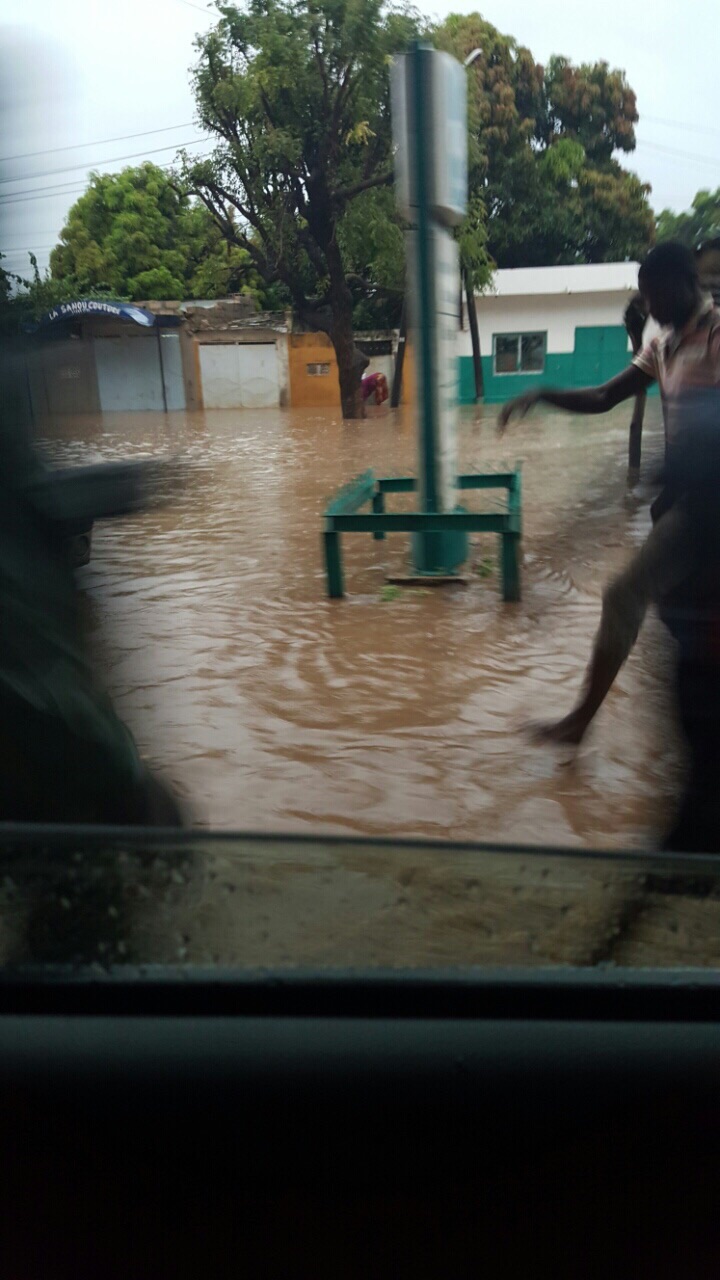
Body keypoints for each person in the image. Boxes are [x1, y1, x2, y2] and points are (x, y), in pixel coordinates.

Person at [524, 408, 720, 850]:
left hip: (702, 504)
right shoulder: (670, 358)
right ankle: (580, 723)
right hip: (697, 502)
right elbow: (659, 458)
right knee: (626, 598)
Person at [498, 241, 720, 455]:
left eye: (659, 295)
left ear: (688, 282)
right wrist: (542, 394)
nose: (651, 308)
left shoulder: (714, 334)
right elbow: (604, 396)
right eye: (647, 298)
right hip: (683, 485)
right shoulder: (661, 347)